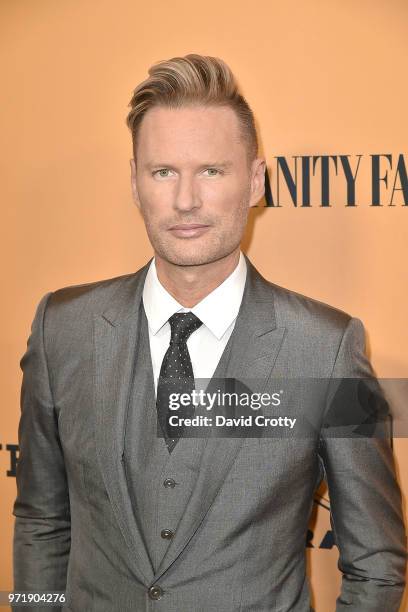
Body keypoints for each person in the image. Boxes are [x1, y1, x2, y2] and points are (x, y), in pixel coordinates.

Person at [13, 53, 406, 612]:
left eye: (212, 171)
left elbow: (376, 563)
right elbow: (41, 520)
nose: (185, 200)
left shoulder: (328, 348)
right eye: (163, 171)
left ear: (254, 182)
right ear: (135, 183)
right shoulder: (63, 328)